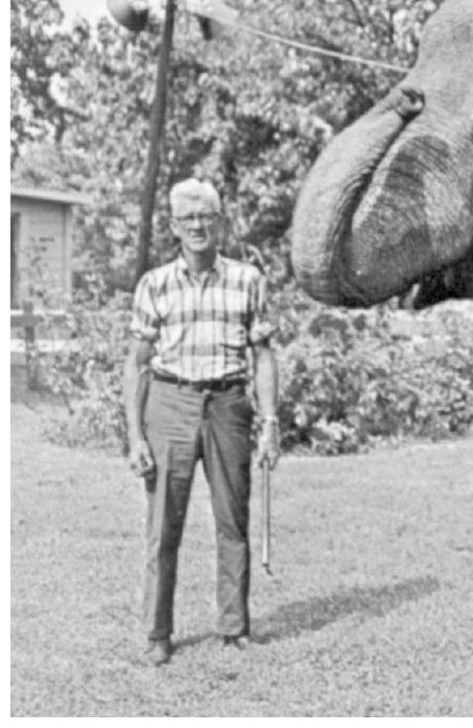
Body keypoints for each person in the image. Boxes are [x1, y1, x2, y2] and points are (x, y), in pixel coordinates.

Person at [123, 179, 279, 667]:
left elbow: (264, 354)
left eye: (206, 217)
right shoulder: (155, 284)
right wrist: (134, 435)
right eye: (187, 218)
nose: (197, 226)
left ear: (220, 223)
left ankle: (234, 627)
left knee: (233, 519)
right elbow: (136, 363)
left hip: (229, 404)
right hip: (169, 403)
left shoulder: (247, 279)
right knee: (163, 525)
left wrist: (270, 421)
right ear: (174, 226)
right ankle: (157, 633)